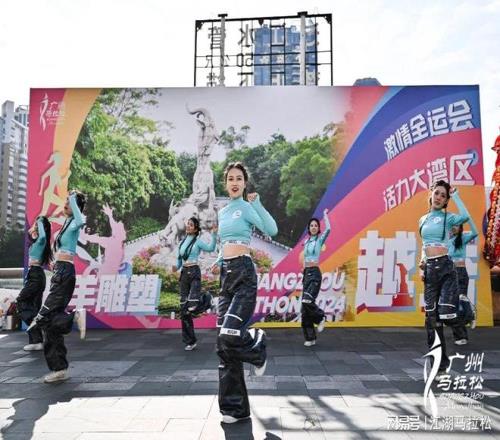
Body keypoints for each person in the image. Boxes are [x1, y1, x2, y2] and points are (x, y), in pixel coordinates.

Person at [214, 162, 277, 424]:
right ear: (225, 183)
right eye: (230, 178)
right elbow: (225, 242)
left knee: (228, 334)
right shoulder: (223, 211)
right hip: (226, 275)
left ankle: (256, 346)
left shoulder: (247, 208)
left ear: (244, 183)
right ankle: (234, 409)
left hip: (243, 274)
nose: (235, 182)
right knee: (224, 345)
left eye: (239, 178)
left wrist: (258, 204)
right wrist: (219, 261)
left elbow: (272, 230)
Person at [28, 190, 87, 383]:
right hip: (61, 271)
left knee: (44, 317)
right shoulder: (67, 223)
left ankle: (74, 316)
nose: (66, 204)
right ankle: (59, 368)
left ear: (75, 205)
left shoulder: (76, 221)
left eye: (69, 202)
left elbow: (81, 220)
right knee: (50, 324)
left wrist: (73, 198)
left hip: (65, 273)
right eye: (66, 201)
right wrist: (56, 263)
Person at [418, 180, 470, 375]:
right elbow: (424, 244)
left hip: (446, 268)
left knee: (446, 312)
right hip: (430, 270)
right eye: (437, 193)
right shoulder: (423, 220)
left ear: (446, 200)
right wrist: (422, 262)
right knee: (432, 320)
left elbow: (465, 216)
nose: (439, 197)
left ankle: (464, 318)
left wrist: (456, 195)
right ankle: (439, 365)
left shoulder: (448, 218)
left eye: (443, 196)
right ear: (431, 194)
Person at [173, 217, 217, 351]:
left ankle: (207, 299)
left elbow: (211, 248)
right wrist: (176, 267)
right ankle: (190, 341)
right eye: (188, 224)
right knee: (184, 310)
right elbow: (179, 260)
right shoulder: (182, 242)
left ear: (196, 228)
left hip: (194, 272)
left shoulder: (198, 242)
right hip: (184, 274)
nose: (188, 226)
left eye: (191, 225)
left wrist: (214, 234)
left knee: (192, 306)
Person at [16, 216, 53, 351]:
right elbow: (34, 236)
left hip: (36, 276)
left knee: (21, 301)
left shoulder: (41, 241)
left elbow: (42, 236)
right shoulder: (37, 243)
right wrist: (35, 229)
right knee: (34, 308)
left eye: (36, 225)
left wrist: (40, 222)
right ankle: (37, 341)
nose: (34, 227)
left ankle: (38, 327)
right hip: (36, 275)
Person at [448, 214, 478, 345]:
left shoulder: (463, 238)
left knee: (461, 298)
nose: (454, 227)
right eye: (453, 225)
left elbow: (475, 232)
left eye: (457, 225)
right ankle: (460, 336)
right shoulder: (447, 242)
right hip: (450, 274)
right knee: (453, 307)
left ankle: (470, 315)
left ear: (461, 228)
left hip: (461, 273)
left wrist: (468, 217)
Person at [301, 209, 330, 346]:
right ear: (309, 228)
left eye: (316, 226)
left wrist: (325, 216)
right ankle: (310, 338)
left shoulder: (319, 240)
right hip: (306, 273)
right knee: (304, 310)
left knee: (307, 301)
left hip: (314, 273)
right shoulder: (306, 241)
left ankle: (321, 317)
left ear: (318, 228)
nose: (313, 227)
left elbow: (328, 229)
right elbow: (305, 257)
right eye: (311, 225)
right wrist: (303, 270)